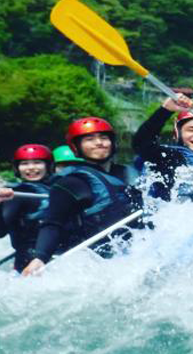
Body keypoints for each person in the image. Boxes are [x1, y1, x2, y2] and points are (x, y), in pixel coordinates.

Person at [23, 117, 142, 276]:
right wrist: (40, 258)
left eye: (104, 138)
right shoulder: (72, 182)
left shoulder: (128, 174)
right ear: (76, 147)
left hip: (137, 253)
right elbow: (52, 223)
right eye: (89, 139)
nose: (99, 143)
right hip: (97, 261)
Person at [133, 94, 193, 201]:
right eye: (191, 129)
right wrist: (166, 110)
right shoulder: (168, 158)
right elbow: (141, 143)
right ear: (178, 133)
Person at [0, 144, 57, 273]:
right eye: (24, 163)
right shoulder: (17, 195)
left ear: (48, 166)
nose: (31, 168)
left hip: (61, 255)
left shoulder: (58, 188)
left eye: (37, 162)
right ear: (17, 168)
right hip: (29, 261)